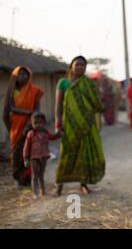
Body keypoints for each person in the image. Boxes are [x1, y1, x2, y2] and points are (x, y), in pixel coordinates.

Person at [54, 56, 105, 196]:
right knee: (66, 153)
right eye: (77, 64)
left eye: (83, 65)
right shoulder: (63, 83)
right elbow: (58, 105)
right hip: (69, 125)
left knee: (84, 153)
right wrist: (58, 124)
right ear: (71, 66)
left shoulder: (88, 83)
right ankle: (59, 187)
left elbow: (96, 104)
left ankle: (84, 185)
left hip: (86, 124)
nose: (80, 67)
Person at [2, 66, 43, 187]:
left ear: (29, 76)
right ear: (15, 76)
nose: (22, 77)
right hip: (15, 126)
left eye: (25, 74)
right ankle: (18, 178)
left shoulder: (35, 90)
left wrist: (30, 122)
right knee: (16, 153)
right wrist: (28, 112)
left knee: (30, 152)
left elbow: (37, 110)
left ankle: (29, 178)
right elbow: (9, 109)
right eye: (19, 74)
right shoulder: (12, 90)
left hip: (31, 124)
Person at [23, 112, 60, 198]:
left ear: (44, 123)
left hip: (44, 156)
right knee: (35, 175)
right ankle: (35, 193)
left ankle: (43, 191)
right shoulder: (31, 134)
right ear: (32, 124)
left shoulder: (46, 133)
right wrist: (25, 158)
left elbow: (53, 137)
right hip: (34, 157)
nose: (38, 125)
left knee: (41, 175)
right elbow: (26, 147)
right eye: (35, 123)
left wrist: (59, 134)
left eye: (40, 122)